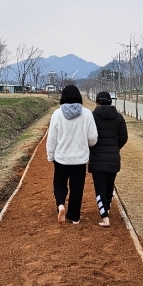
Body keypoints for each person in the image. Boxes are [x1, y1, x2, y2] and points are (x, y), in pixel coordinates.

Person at [46, 84, 97, 224]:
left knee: (60, 184)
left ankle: (61, 205)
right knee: (77, 188)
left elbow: (52, 138)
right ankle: (74, 217)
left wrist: (51, 155)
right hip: (80, 159)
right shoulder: (87, 114)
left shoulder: (57, 114)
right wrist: (87, 144)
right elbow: (93, 138)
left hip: (61, 158)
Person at [88, 91, 128, 227]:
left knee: (100, 187)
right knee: (109, 186)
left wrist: (92, 148)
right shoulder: (119, 117)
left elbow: (88, 136)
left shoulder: (92, 117)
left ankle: (105, 217)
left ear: (97, 101)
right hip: (113, 158)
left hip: (97, 157)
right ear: (110, 101)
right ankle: (107, 208)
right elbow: (124, 137)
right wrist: (115, 148)